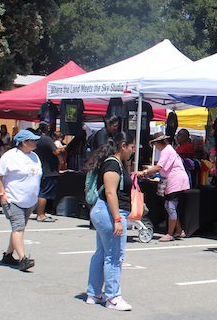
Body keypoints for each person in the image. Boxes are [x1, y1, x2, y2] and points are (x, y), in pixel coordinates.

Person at [85, 132, 135, 311]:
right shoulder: (113, 164)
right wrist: (117, 219)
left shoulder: (114, 163)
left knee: (102, 253)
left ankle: (94, 293)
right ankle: (113, 297)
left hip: (103, 211)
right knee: (114, 255)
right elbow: (110, 192)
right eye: (131, 146)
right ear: (123, 146)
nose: (133, 150)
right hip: (109, 212)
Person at [0, 129, 42, 272]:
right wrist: (2, 194)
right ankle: (23, 259)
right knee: (18, 227)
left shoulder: (34, 156)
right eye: (32, 140)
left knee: (19, 229)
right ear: (23, 143)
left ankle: (8, 254)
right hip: (13, 198)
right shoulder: (10, 156)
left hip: (29, 200)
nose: (35, 142)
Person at [141, 133, 190, 242]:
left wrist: (144, 172)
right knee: (170, 206)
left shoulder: (166, 151)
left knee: (170, 206)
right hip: (174, 180)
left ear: (158, 143)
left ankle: (170, 233)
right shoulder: (168, 150)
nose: (155, 147)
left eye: (155, 144)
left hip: (175, 181)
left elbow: (159, 167)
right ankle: (179, 230)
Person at [34, 122, 59, 223]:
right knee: (44, 193)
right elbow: (55, 152)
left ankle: (40, 213)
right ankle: (40, 215)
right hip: (49, 170)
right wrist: (62, 149)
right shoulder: (47, 139)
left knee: (42, 191)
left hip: (41, 168)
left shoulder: (37, 139)